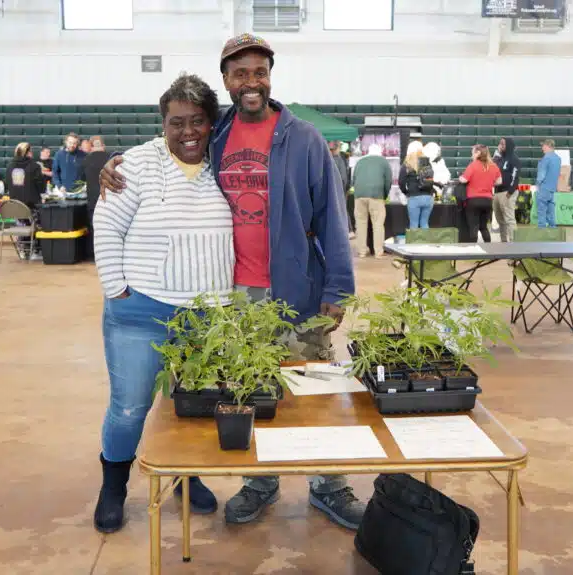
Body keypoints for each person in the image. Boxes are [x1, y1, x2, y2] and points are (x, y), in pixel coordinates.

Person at [98, 33, 360, 531]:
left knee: (314, 390)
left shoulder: (301, 137)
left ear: (270, 75)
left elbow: (332, 215)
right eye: (240, 74)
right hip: (233, 298)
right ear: (226, 81)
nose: (251, 81)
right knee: (248, 389)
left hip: (296, 290)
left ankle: (331, 484)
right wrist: (111, 167)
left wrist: (337, 289)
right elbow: (170, 145)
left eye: (259, 71)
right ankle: (259, 482)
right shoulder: (215, 134)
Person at [91, 73, 233, 534]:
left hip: (207, 316)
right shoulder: (134, 164)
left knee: (192, 405)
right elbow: (107, 225)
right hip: (141, 312)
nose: (187, 132)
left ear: (211, 123)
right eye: (176, 123)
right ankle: (113, 487)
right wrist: (117, 290)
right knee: (130, 406)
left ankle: (188, 476)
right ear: (163, 123)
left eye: (197, 121)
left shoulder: (226, 163)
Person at [353, 143, 392, 257]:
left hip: (359, 195)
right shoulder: (383, 162)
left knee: (360, 223)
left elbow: (353, 179)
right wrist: (384, 195)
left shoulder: (360, 161)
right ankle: (378, 252)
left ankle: (361, 252)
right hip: (376, 194)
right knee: (378, 223)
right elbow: (388, 181)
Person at [459, 144, 501, 243]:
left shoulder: (473, 165)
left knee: (473, 227)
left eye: (473, 153)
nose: (471, 156)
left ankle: (474, 250)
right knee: (483, 227)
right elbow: (499, 181)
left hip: (473, 200)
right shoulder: (493, 165)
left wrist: (460, 177)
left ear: (478, 153)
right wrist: (489, 182)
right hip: (487, 200)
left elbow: (464, 180)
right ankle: (489, 248)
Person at [80, 136, 110, 258]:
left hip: (93, 199)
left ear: (91, 146)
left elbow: (82, 178)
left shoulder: (86, 160)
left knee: (94, 227)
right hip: (110, 199)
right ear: (103, 145)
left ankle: (94, 254)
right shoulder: (111, 158)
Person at [492, 137, 522, 242]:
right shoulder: (499, 158)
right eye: (500, 144)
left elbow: (515, 177)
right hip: (497, 192)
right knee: (500, 220)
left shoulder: (514, 159)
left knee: (509, 219)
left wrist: (510, 191)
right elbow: (492, 168)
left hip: (507, 193)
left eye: (503, 144)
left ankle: (514, 244)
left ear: (508, 145)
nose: (500, 146)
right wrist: (496, 155)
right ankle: (504, 242)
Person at [399, 141, 434, 229]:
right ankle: (426, 243)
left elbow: (401, 182)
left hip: (414, 197)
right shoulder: (427, 163)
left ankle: (414, 243)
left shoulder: (407, 164)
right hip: (428, 197)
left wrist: (406, 192)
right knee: (424, 223)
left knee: (414, 224)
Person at [5, 142, 45, 213]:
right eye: (31, 151)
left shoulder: (9, 166)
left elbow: (7, 184)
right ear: (28, 152)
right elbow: (41, 186)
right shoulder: (35, 166)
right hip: (32, 207)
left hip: (15, 207)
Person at [535, 139, 561, 228]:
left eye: (543, 146)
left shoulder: (546, 158)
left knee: (541, 211)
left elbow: (541, 174)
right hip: (552, 189)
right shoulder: (558, 159)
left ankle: (542, 232)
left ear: (548, 146)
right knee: (551, 212)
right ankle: (553, 232)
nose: (542, 148)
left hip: (544, 188)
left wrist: (537, 185)